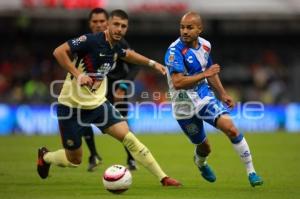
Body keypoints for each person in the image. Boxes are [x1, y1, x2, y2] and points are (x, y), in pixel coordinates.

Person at [36, 9, 181, 187]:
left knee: (129, 138)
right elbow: (59, 52)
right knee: (74, 160)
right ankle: (46, 157)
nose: (119, 29)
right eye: (116, 24)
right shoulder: (90, 40)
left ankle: (163, 178)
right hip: (71, 107)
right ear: (108, 25)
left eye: (123, 26)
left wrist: (153, 64)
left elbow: (128, 55)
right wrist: (78, 74)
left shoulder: (116, 46)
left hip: (98, 106)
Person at [164, 11, 263, 187]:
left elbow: (210, 72)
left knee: (231, 129)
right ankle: (200, 163)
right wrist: (205, 74)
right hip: (183, 106)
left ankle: (252, 172)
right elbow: (178, 82)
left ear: (199, 29)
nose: (185, 31)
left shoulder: (205, 46)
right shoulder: (174, 51)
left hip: (204, 98)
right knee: (204, 147)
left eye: (189, 27)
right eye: (182, 27)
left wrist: (223, 93)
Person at [83, 8, 139, 171]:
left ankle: (131, 158)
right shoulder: (86, 42)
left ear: (107, 23)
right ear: (90, 24)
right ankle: (93, 155)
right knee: (82, 118)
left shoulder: (119, 42)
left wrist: (122, 86)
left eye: (102, 21)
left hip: (116, 91)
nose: (99, 25)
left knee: (123, 124)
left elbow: (135, 66)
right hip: (94, 90)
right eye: (95, 22)